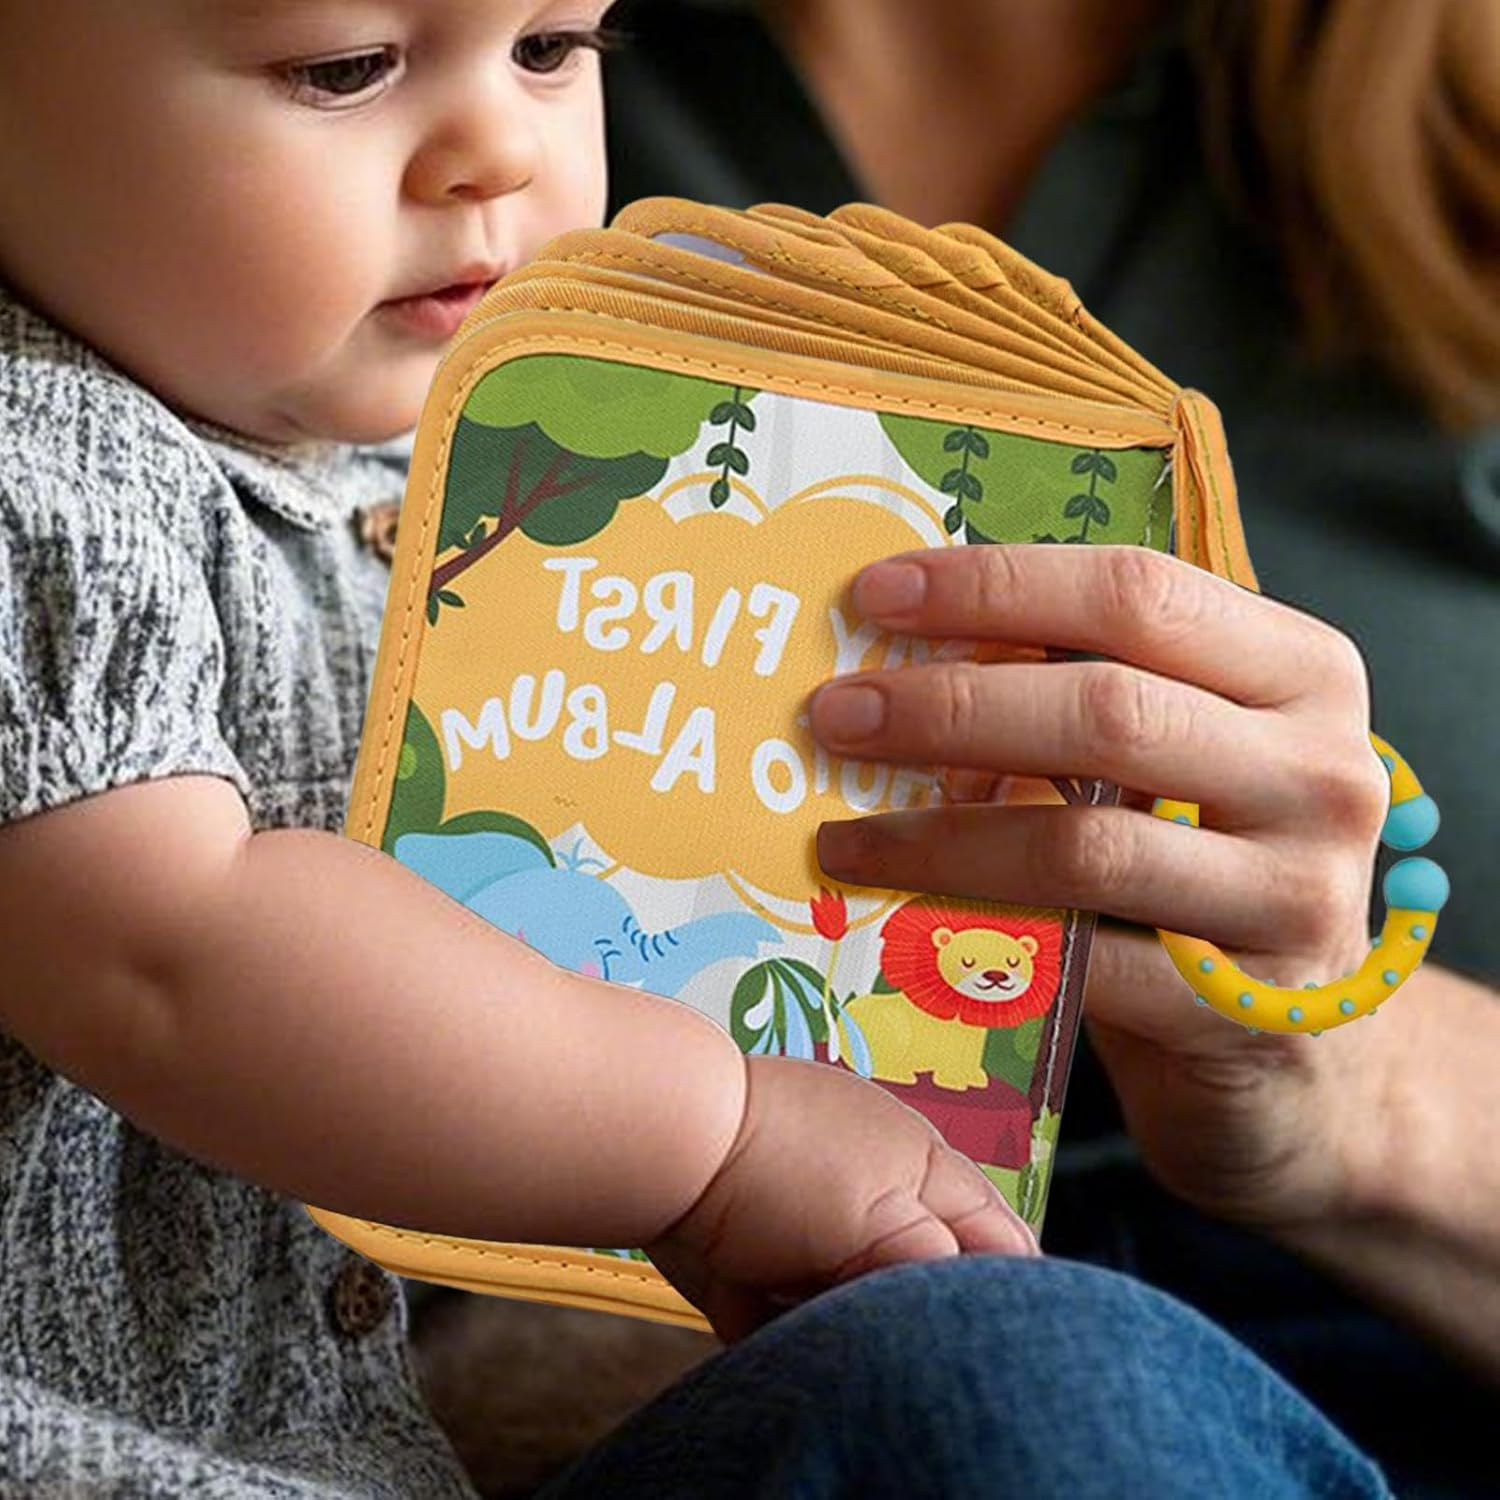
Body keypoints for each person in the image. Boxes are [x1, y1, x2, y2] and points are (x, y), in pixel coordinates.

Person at [0, 11, 1484, 1500]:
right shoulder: (42, 471)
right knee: (1026, 1378)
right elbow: (171, 945)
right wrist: (720, 1136)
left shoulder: (436, 454)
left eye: (550, 48)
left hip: (1296, 1316)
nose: (500, 148)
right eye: (343, 68)